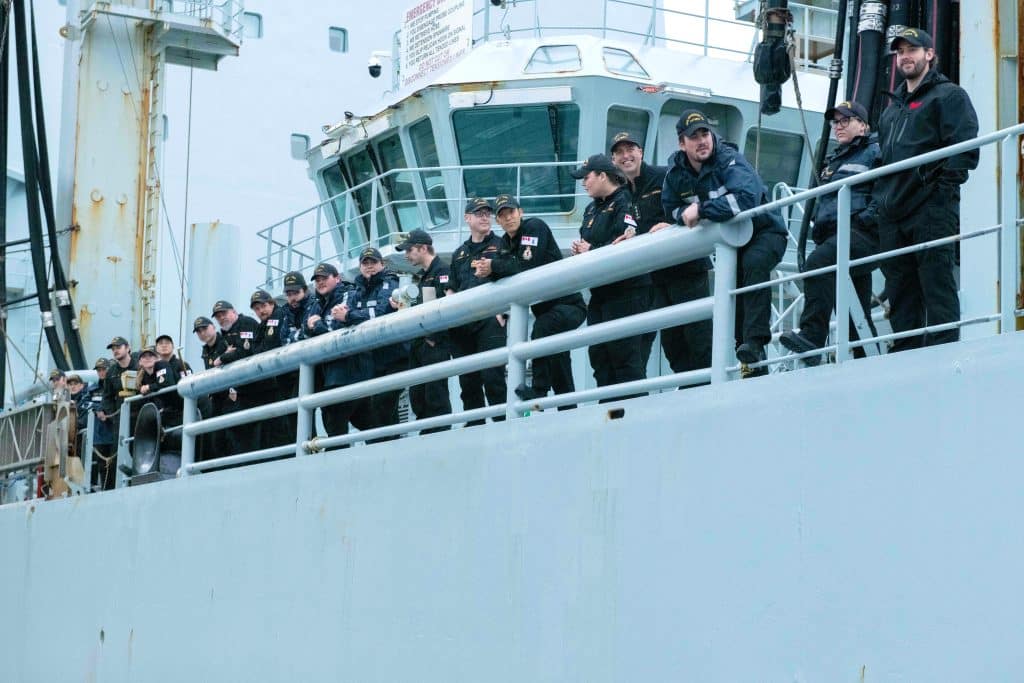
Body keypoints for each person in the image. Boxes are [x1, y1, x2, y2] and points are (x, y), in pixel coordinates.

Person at [874, 27, 979, 351]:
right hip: (893, 213)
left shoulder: (948, 96)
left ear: (929, 55)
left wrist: (939, 190)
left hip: (930, 207)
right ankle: (907, 354)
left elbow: (965, 149)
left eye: (913, 50)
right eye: (901, 51)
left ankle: (944, 352)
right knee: (901, 287)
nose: (905, 56)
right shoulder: (892, 111)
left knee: (936, 281)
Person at [663, 109, 788, 378]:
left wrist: (702, 210)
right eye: (693, 137)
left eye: (704, 133)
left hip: (767, 232)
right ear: (682, 144)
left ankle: (754, 344)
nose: (702, 141)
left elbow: (745, 198)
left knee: (754, 265)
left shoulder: (729, 160)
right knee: (731, 287)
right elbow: (671, 208)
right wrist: (685, 216)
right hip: (733, 244)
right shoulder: (676, 173)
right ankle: (749, 363)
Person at [780, 101, 881, 365]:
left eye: (845, 120)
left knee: (817, 264)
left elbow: (883, 192)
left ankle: (813, 337)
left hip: (861, 233)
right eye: (836, 122)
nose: (838, 126)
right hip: (836, 236)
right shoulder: (834, 160)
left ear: (863, 125)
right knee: (853, 310)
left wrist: (866, 220)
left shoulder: (874, 152)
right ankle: (868, 361)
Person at [610, 131, 712, 378]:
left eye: (630, 149)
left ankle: (710, 390)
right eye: (619, 153)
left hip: (687, 268)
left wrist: (673, 223)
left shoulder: (663, 176)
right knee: (673, 343)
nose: (626, 156)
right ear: (613, 160)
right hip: (659, 276)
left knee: (698, 337)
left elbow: (693, 204)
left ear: (641, 152)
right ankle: (690, 393)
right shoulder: (625, 191)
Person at [474, 194, 586, 407]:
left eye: (511, 212)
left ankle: (539, 391)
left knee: (542, 329)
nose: (508, 218)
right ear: (498, 221)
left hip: (568, 304)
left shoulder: (534, 227)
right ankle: (568, 408)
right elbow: (503, 270)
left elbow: (528, 264)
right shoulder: (506, 242)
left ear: (520, 212)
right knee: (558, 360)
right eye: (503, 215)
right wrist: (487, 271)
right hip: (548, 309)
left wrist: (494, 266)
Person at [570, 154, 650, 396]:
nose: (584, 183)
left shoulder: (625, 201)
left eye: (587, 178)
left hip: (627, 291)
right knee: (600, 356)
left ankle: (633, 414)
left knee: (625, 356)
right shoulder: (591, 209)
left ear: (603, 176)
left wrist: (591, 250)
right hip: (601, 291)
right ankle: (608, 413)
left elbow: (624, 241)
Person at [337, 247, 408, 441]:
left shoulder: (390, 284)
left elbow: (380, 312)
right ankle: (387, 447)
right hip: (371, 361)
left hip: (394, 357)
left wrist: (350, 316)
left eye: (373, 263)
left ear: (382, 265)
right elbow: (340, 318)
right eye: (365, 264)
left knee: (382, 405)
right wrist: (346, 316)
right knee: (372, 410)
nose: (369, 267)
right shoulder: (356, 290)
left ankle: (385, 447)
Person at [446, 198, 507, 425]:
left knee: (493, 377)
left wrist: (505, 312)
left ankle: (503, 423)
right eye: (478, 213)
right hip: (463, 324)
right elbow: (451, 288)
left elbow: (512, 278)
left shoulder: (502, 246)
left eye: (487, 213)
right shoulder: (459, 254)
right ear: (467, 218)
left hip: (490, 320)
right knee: (468, 381)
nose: (484, 217)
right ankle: (475, 425)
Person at [300, 262, 374, 441]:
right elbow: (304, 329)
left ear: (337, 278)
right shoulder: (319, 302)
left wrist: (316, 325)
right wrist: (311, 327)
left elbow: (335, 329)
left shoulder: (348, 295)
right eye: (317, 280)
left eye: (324, 278)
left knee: (337, 426)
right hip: (334, 375)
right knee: (364, 424)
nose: (320, 283)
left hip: (351, 372)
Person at [394, 229, 453, 433]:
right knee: (418, 395)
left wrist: (434, 338)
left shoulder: (442, 272)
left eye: (409, 250)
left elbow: (450, 304)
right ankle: (426, 432)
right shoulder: (424, 276)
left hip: (434, 342)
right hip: (421, 343)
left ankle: (439, 434)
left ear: (423, 248)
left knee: (435, 394)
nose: (406, 255)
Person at [210, 300, 261, 453]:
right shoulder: (224, 335)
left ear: (234, 312)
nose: (221, 318)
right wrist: (226, 355)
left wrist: (224, 358)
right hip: (239, 390)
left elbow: (245, 351)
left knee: (254, 431)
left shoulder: (246, 323)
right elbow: (216, 360)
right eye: (218, 316)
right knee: (236, 432)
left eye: (224, 313)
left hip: (256, 386)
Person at [249, 288, 293, 449]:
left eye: (263, 306)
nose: (261, 311)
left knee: (288, 422)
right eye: (257, 309)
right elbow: (256, 349)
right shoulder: (262, 325)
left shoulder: (280, 315)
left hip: (286, 377)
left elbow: (272, 344)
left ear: (271, 304)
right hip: (275, 381)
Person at [194, 315, 233, 459]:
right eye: (198, 331)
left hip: (230, 394)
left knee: (231, 432)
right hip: (216, 396)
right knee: (217, 435)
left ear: (213, 327)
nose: (202, 333)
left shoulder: (224, 342)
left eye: (204, 328)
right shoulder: (206, 350)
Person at [88, 358, 117, 490]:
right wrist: (97, 409)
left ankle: (113, 489)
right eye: (99, 370)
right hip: (99, 434)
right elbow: (86, 403)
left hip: (114, 431)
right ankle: (105, 490)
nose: (101, 372)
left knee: (114, 465)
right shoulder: (92, 389)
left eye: (103, 369)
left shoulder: (116, 385)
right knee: (102, 466)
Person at [137, 346, 182, 426]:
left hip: (180, 409)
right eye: (144, 356)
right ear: (140, 362)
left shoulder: (162, 364)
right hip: (166, 413)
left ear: (156, 358)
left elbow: (166, 384)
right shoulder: (143, 377)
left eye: (150, 356)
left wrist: (149, 387)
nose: (148, 358)